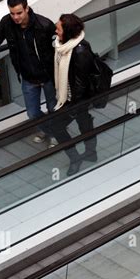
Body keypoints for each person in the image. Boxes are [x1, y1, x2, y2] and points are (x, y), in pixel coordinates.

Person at [0, 0, 57, 146]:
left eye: (19, 13)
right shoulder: (7, 23)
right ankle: (49, 131)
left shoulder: (44, 24)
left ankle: (56, 134)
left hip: (48, 76)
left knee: (54, 108)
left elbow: (60, 44)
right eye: (12, 13)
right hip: (27, 77)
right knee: (32, 113)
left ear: (27, 9)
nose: (15, 17)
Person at [53, 14, 98, 176]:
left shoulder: (80, 51)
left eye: (58, 28)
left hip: (77, 99)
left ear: (68, 32)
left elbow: (80, 84)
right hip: (71, 97)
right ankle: (91, 153)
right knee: (84, 121)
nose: (56, 31)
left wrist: (72, 107)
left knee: (57, 128)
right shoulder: (63, 46)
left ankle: (75, 158)